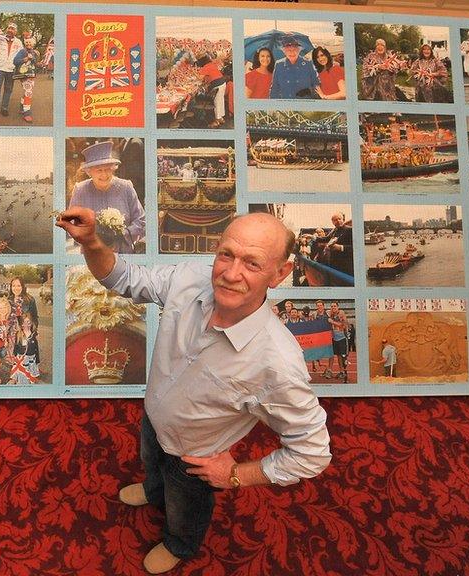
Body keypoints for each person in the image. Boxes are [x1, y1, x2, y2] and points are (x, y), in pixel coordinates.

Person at [56, 208, 331, 574]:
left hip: (196, 458)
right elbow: (124, 278)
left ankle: (179, 544)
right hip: (154, 420)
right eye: (226, 255)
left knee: (186, 510)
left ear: (280, 273)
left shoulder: (278, 364)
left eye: (252, 263)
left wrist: (236, 475)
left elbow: (312, 453)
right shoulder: (190, 277)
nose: (231, 274)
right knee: (152, 465)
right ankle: (154, 492)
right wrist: (91, 241)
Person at [67, 141, 146, 254]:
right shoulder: (80, 190)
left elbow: (141, 220)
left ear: (113, 168)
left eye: (108, 169)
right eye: (99, 170)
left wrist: (122, 235)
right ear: (89, 172)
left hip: (123, 253)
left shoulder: (126, 187)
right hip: (93, 255)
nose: (104, 175)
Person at [0, 22, 23, 118]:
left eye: (13, 29)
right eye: (9, 28)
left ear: (16, 31)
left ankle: (4, 108)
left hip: (11, 69)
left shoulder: (18, 42)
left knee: (8, 89)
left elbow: (22, 54)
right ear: (7, 29)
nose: (10, 30)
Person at [196, 51, 228, 126]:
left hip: (217, 85)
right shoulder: (211, 64)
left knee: (217, 102)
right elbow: (209, 76)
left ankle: (216, 121)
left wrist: (196, 73)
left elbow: (199, 78)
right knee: (221, 101)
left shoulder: (205, 67)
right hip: (222, 82)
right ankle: (221, 118)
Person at [13, 37, 40, 123]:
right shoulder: (22, 51)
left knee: (27, 92)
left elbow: (35, 63)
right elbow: (15, 61)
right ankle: (27, 113)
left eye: (30, 43)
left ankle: (22, 107)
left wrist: (36, 60)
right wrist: (25, 59)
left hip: (31, 75)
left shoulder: (34, 52)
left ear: (33, 44)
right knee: (29, 92)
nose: (28, 44)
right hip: (23, 75)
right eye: (27, 42)